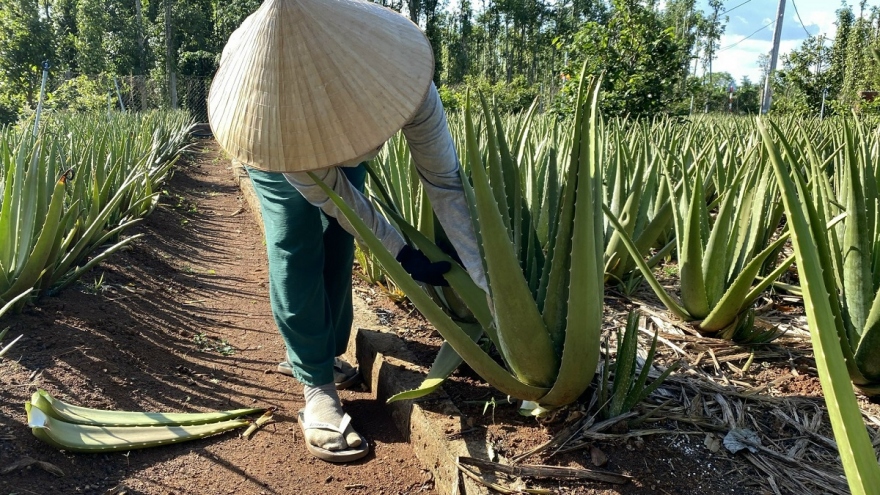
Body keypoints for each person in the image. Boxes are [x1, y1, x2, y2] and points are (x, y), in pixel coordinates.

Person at [208, 0, 486, 463]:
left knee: (339, 241)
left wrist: (483, 277)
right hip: (280, 137)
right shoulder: (276, 124)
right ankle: (315, 385)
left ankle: (330, 352)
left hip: (321, 140)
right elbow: (343, 203)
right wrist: (401, 252)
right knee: (295, 240)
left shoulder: (405, 79)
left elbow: (445, 181)